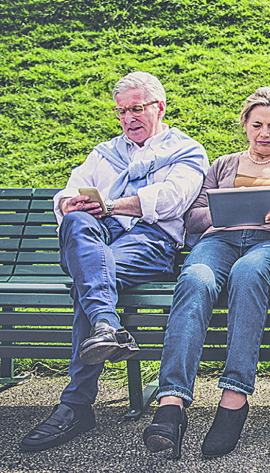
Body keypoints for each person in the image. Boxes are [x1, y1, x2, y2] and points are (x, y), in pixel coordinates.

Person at [19, 72, 208, 452]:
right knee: (77, 224)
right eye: (121, 111)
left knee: (90, 280)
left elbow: (171, 199)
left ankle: (75, 405)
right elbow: (71, 188)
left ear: (160, 107)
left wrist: (109, 205)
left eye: (136, 109)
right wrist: (68, 203)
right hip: (97, 237)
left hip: (149, 242)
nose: (128, 118)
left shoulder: (186, 151)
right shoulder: (105, 152)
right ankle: (106, 326)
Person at [141, 87, 270, 459]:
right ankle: (171, 405)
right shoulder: (222, 164)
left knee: (248, 275)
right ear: (245, 126)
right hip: (220, 239)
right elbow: (194, 217)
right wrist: (224, 211)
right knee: (194, 279)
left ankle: (234, 399)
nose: (264, 134)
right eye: (256, 125)